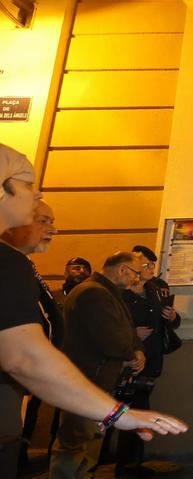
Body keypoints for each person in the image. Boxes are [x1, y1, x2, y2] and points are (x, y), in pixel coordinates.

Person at [0, 144, 186, 478]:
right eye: (26, 183)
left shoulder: (16, 264)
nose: (37, 192)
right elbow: (25, 357)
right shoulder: (9, 264)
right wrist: (120, 414)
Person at [50, 252, 148, 479]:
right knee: (76, 441)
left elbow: (127, 328)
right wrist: (130, 354)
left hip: (99, 379)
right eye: (135, 273)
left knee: (93, 437)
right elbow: (110, 337)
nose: (136, 279)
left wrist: (138, 349)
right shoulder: (93, 293)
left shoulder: (109, 293)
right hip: (86, 379)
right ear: (122, 269)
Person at [1, 200, 62, 470]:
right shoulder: (10, 264)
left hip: (20, 379)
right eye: (43, 220)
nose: (52, 229)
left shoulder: (22, 264)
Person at [114, 246, 181, 477]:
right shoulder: (120, 292)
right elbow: (111, 324)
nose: (151, 269)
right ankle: (123, 466)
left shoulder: (156, 289)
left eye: (153, 265)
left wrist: (172, 317)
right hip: (128, 361)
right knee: (129, 412)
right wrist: (133, 334)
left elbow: (170, 321)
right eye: (146, 265)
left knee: (141, 410)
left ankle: (134, 463)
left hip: (151, 359)